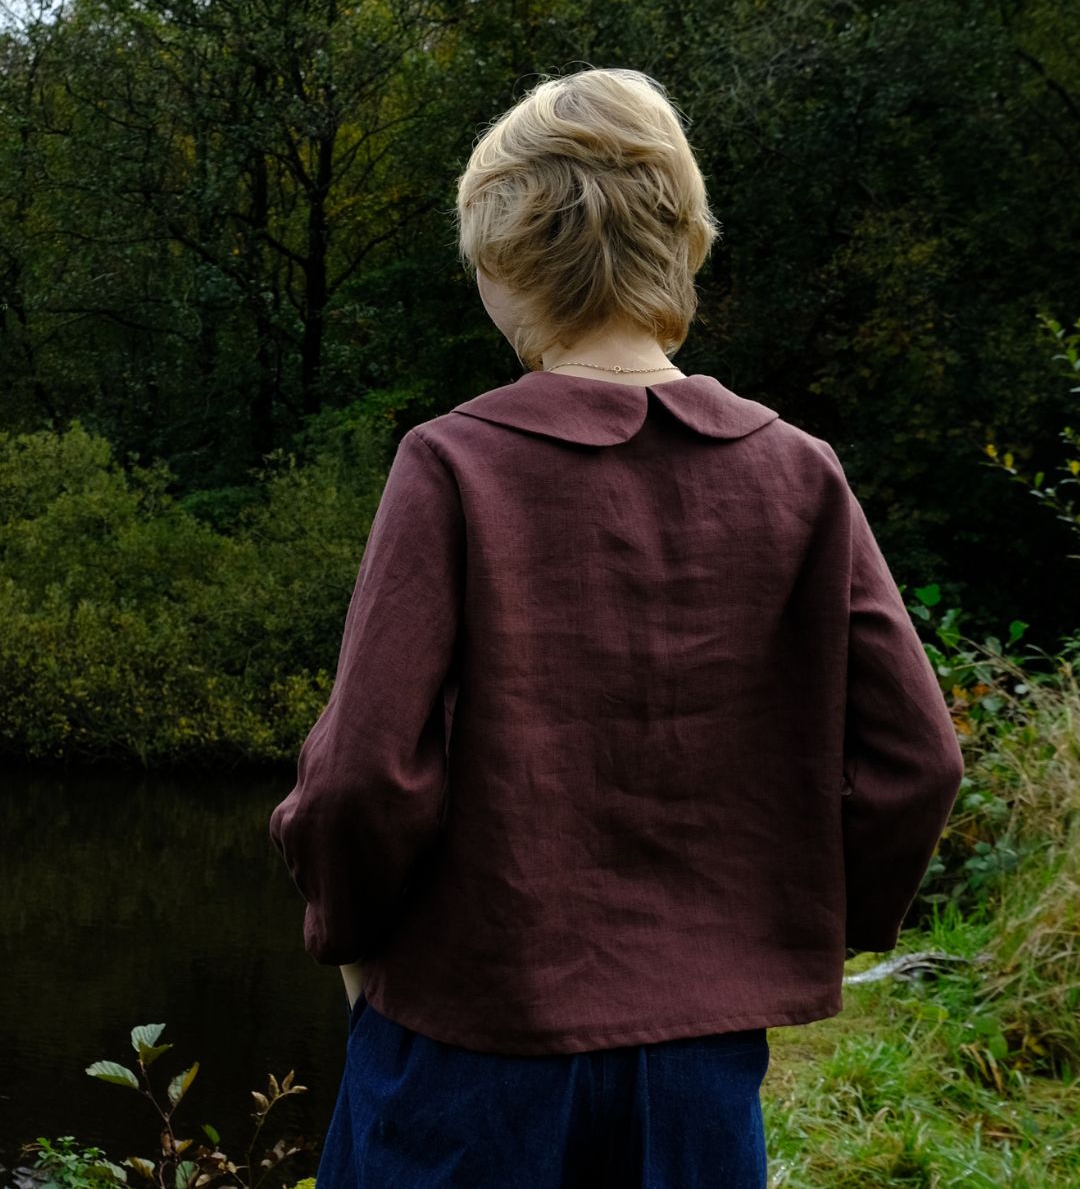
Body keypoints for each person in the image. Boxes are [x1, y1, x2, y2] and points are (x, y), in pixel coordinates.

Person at [268, 66, 966, 1188]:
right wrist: (779, 936)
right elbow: (917, 765)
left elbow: (360, 780)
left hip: (466, 1049)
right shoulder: (800, 474)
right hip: (700, 1068)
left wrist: (346, 936)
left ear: (500, 266)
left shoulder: (454, 462)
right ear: (684, 243)